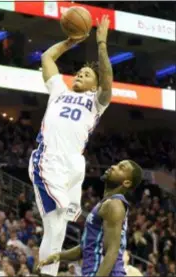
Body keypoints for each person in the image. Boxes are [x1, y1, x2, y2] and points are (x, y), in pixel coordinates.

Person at [28, 15, 113, 277]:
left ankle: (51, 269)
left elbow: (108, 82)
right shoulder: (59, 91)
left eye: (86, 74)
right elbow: (47, 59)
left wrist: (101, 45)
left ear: (94, 85)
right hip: (49, 159)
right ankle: (46, 273)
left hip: (74, 165)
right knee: (54, 224)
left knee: (62, 223)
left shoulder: (97, 102)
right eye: (79, 72)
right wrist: (70, 41)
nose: (79, 75)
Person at [37, 160, 143, 277]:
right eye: (116, 164)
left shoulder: (114, 205)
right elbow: (87, 246)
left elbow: (112, 251)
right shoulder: (105, 203)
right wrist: (58, 256)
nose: (113, 166)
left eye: (121, 168)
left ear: (126, 183)